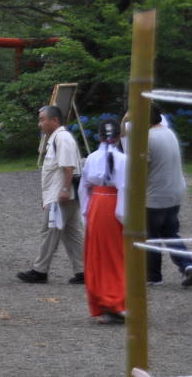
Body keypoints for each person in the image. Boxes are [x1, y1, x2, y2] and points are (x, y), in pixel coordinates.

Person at [17, 105, 85, 284]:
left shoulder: (61, 138)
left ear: (54, 120)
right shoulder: (57, 138)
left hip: (61, 195)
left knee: (49, 231)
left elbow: (68, 166)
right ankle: (83, 270)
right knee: (72, 233)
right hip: (61, 195)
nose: (40, 124)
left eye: (42, 119)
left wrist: (63, 189)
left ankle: (40, 270)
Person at [79, 119, 127, 323]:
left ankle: (102, 300)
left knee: (98, 256)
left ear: (99, 136)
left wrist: (86, 213)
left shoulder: (91, 157)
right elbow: (124, 188)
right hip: (114, 204)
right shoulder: (124, 160)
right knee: (117, 256)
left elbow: (84, 187)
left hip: (97, 205)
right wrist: (124, 216)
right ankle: (117, 301)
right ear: (118, 137)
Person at [141, 104, 192, 287]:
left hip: (156, 196)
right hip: (175, 190)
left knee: (151, 236)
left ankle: (154, 277)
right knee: (170, 232)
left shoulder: (146, 138)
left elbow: (143, 169)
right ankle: (187, 264)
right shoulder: (168, 132)